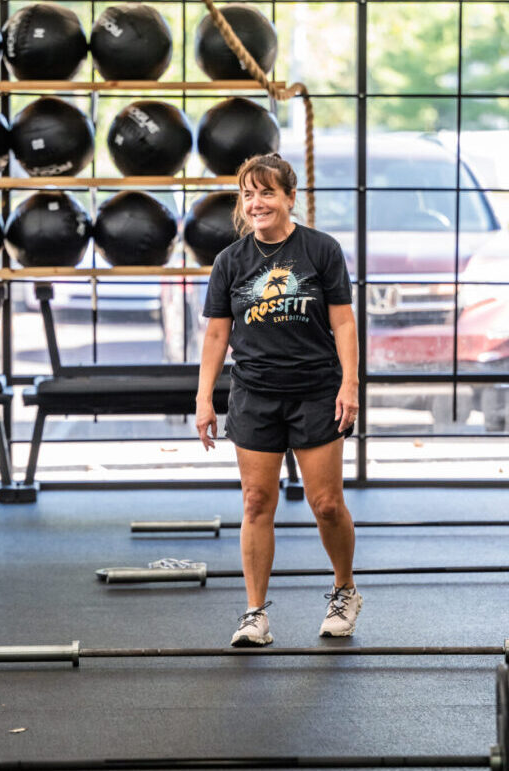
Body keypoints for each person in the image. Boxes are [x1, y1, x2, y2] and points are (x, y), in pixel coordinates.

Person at [194, 153, 361, 647]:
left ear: (290, 197)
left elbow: (345, 322)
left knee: (327, 504)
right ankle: (254, 614)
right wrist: (204, 398)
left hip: (316, 391)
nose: (257, 202)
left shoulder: (321, 250)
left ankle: (344, 590)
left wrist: (350, 384)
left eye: (267, 192)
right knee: (256, 501)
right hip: (255, 394)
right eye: (248, 194)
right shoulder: (230, 262)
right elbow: (216, 334)